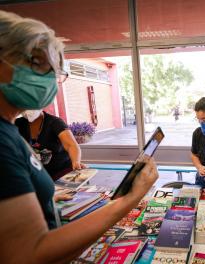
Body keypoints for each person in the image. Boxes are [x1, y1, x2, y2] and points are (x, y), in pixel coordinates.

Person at [0, 10, 158, 263]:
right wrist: (128, 200)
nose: (49, 78)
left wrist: (45, 195)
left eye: (54, 71)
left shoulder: (9, 129)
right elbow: (28, 254)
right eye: (37, 63)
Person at [15, 109, 86, 180]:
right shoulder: (18, 123)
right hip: (37, 173)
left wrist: (76, 161)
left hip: (61, 171)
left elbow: (71, 145)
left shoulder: (55, 122)